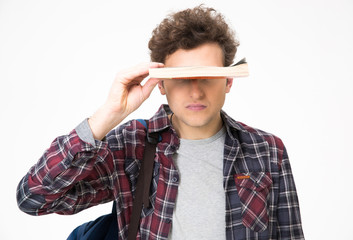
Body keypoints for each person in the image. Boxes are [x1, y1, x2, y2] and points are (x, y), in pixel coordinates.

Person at [16, 5, 304, 240]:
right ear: (162, 85)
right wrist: (107, 115)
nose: (195, 91)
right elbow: (34, 198)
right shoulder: (133, 143)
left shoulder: (267, 150)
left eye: (207, 76)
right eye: (181, 79)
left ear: (228, 80)